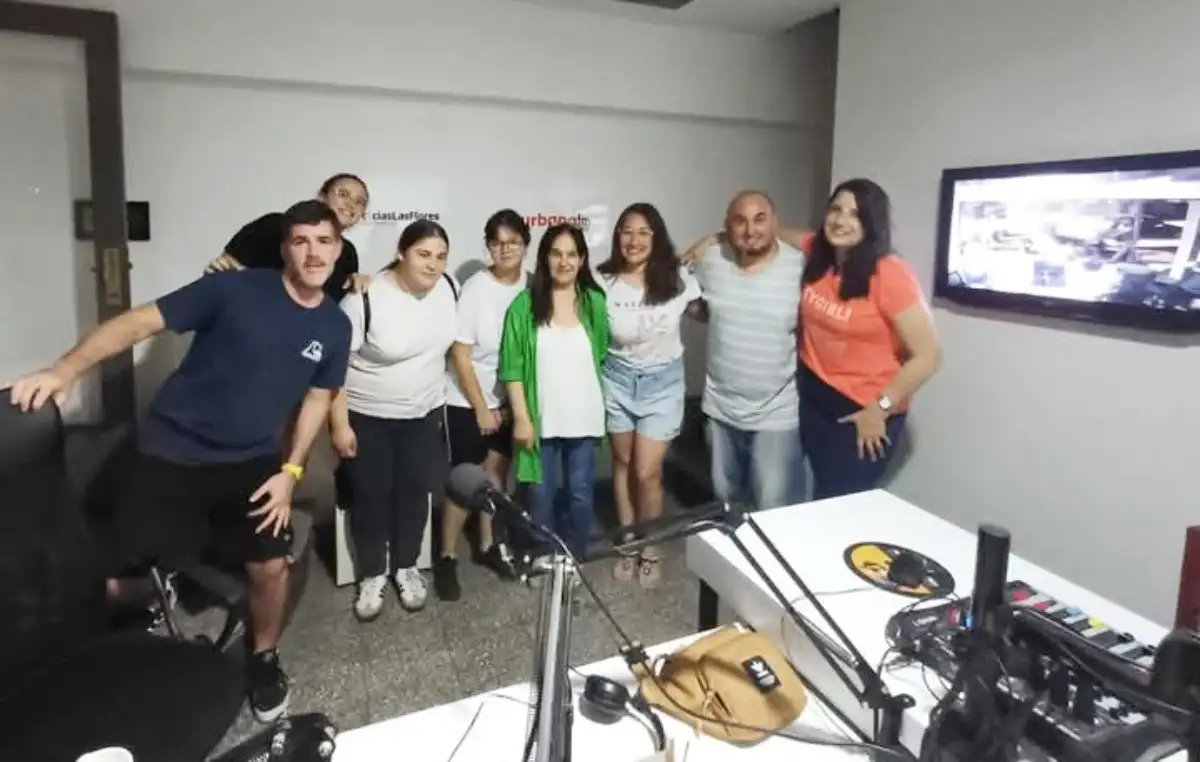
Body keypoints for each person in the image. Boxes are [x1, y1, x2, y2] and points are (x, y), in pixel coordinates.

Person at [5, 199, 352, 723]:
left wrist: (291, 471)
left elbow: (318, 400)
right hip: (171, 448)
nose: (313, 253)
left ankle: (264, 657)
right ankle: (124, 621)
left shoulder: (334, 326)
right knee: (99, 568)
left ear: (339, 249)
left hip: (252, 461)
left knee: (270, 564)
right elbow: (139, 323)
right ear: (285, 249)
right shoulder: (232, 290)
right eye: (300, 241)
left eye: (324, 241)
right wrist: (65, 370)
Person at [330, 219, 458, 621]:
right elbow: (333, 369)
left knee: (414, 494)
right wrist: (340, 425)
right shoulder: (363, 299)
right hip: (369, 418)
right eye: (423, 254)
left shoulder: (448, 288)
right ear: (402, 253)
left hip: (424, 414)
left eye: (440, 256)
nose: (433, 264)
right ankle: (371, 574)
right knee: (370, 497)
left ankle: (406, 567)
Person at [791, 179, 941, 499]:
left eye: (855, 215)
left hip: (862, 411)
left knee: (839, 503)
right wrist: (717, 239)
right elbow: (779, 233)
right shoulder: (821, 252)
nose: (841, 221)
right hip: (814, 396)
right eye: (836, 210)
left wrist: (880, 409)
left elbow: (928, 357)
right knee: (815, 496)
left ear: (872, 224)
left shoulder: (889, 273)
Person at [681, 191, 807, 511]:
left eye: (759, 219)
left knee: (774, 508)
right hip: (721, 411)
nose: (750, 230)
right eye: (740, 221)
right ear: (728, 226)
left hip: (777, 414)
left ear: (775, 222)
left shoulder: (800, 267)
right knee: (727, 504)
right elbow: (679, 287)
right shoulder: (711, 260)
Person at [595, 203, 700, 587]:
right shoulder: (602, 281)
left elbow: (708, 311)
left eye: (643, 232)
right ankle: (628, 541)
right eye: (627, 231)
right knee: (623, 464)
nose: (634, 240)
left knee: (647, 472)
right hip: (618, 380)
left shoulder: (678, 278)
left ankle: (651, 545)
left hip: (662, 384)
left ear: (656, 237)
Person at [499, 224, 609, 563]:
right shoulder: (524, 306)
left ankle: (574, 556)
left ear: (582, 259)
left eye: (572, 254)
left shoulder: (594, 302)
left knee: (580, 493)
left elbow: (601, 354)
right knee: (540, 494)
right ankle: (543, 555)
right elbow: (512, 368)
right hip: (541, 419)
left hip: (583, 417)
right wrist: (521, 417)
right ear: (545, 258)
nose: (564, 262)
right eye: (556, 254)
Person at [436, 209, 529, 601]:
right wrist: (480, 408)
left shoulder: (532, 285)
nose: (504, 250)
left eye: (512, 242)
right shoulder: (476, 288)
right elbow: (460, 355)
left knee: (496, 475)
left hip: (507, 399)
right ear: (488, 246)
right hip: (466, 398)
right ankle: (447, 555)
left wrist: (509, 408)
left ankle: (489, 545)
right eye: (496, 243)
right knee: (466, 480)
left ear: (525, 244)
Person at [206, 173, 370, 299]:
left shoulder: (348, 254)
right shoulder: (272, 226)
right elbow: (222, 270)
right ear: (322, 196)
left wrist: (356, 286)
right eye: (342, 194)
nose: (350, 204)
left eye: (359, 201)